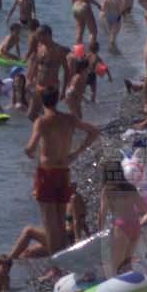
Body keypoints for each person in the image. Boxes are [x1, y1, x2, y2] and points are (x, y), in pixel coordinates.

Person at [24, 86, 98, 254]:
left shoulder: (41, 122)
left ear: (42, 101)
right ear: (57, 99)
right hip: (64, 171)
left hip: (46, 173)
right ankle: (64, 257)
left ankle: (55, 263)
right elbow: (94, 132)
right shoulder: (69, 119)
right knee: (60, 220)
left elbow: (31, 147)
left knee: (49, 223)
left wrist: (28, 152)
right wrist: (76, 153)